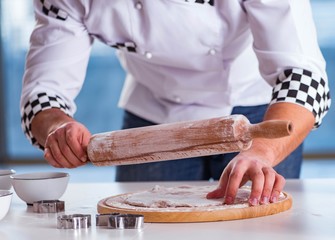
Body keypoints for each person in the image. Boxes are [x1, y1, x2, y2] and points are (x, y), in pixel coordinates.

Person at [21, 0, 330, 206]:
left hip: (257, 109)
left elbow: (304, 77)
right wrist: (58, 127)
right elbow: (43, 91)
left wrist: (263, 152)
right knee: (143, 225)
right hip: (155, 114)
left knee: (262, 229)